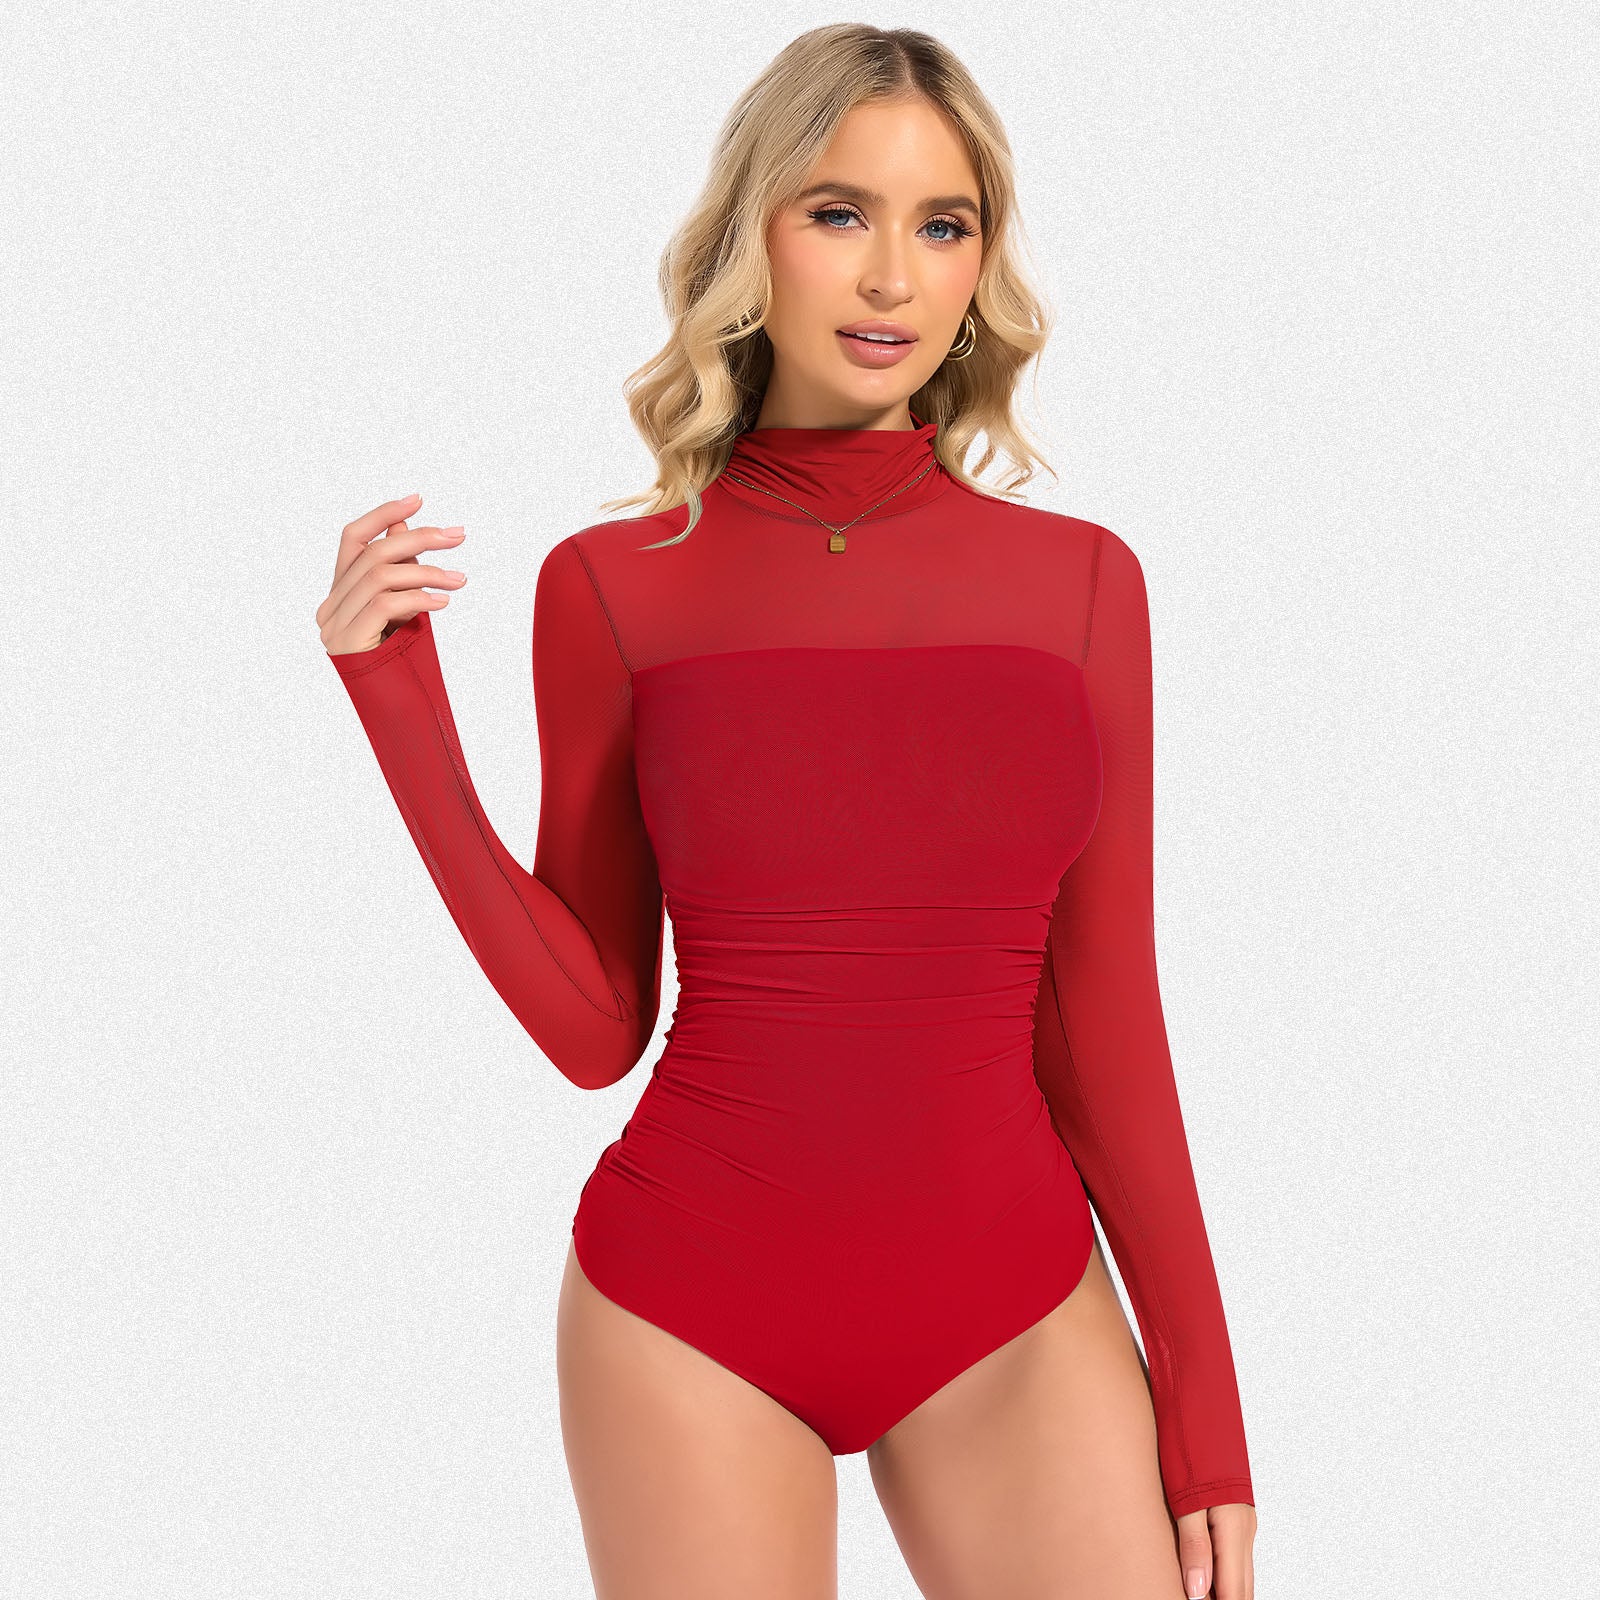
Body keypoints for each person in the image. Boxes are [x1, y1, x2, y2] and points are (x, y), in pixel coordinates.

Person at [317, 23, 1258, 1600]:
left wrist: (1209, 1420)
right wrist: (401, 710)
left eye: (941, 224)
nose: (891, 275)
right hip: (693, 1308)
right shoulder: (612, 588)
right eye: (839, 212)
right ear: (753, 236)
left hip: (1014, 1314)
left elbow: (1106, 1021)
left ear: (981, 265)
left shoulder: (1085, 587)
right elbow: (595, 1027)